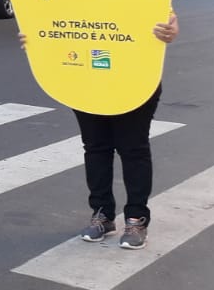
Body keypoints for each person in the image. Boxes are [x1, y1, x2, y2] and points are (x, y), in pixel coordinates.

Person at [20, 13, 177, 249]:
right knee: (96, 147)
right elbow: (55, 24)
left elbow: (168, 21)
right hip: (85, 78)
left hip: (135, 78)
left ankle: (136, 219)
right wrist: (37, 40)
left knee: (133, 148)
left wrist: (169, 31)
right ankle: (102, 215)